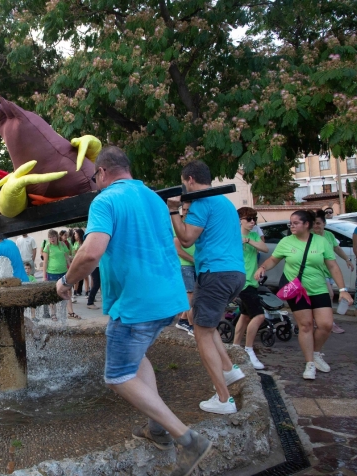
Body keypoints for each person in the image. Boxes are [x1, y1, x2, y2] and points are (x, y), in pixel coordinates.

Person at [55, 147, 212, 475]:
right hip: (167, 299)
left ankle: (188, 439)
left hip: (137, 303)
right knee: (137, 359)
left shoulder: (105, 200)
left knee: (118, 376)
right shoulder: (154, 198)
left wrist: (67, 282)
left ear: (101, 173)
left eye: (93, 178)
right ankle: (156, 429)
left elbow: (90, 253)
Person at [170, 160, 246, 415]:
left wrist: (173, 211)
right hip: (234, 274)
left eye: (183, 182)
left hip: (215, 274)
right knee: (205, 323)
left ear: (190, 180)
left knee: (200, 333)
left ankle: (224, 400)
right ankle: (229, 370)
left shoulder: (202, 202)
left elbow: (187, 239)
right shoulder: (225, 202)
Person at [256, 210, 352, 379]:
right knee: (306, 325)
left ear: (306, 224)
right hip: (297, 291)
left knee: (326, 325)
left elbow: (333, 267)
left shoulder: (321, 242)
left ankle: (316, 353)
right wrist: (263, 267)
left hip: (319, 288)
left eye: (295, 223)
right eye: (290, 223)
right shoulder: (286, 242)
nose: (291, 226)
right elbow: (274, 259)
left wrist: (343, 290)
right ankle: (309, 364)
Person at [232, 207, 270, 370]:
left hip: (252, 281)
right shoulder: (232, 235)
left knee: (246, 315)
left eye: (254, 219)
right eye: (249, 219)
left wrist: (247, 240)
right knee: (259, 316)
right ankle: (248, 350)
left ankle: (234, 348)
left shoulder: (253, 235)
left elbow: (265, 248)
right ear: (239, 220)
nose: (253, 222)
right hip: (242, 281)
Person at [313, 209, 354, 334]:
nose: (316, 226)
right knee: (330, 295)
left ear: (324, 224)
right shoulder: (309, 236)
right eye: (314, 223)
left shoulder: (329, 235)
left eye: (318, 223)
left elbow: (337, 248)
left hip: (328, 272)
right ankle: (329, 322)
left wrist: (347, 259)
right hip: (317, 272)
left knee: (323, 298)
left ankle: (320, 321)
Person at [42, 229, 80, 320]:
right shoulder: (47, 247)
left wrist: (71, 270)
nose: (52, 239)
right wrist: (44, 276)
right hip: (52, 273)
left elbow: (67, 258)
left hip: (63, 272)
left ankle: (71, 313)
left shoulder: (62, 244)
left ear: (57, 237)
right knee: (53, 293)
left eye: (53, 237)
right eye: (50, 237)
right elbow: (45, 262)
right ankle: (53, 314)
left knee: (67, 292)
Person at [173, 203, 196, 336]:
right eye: (185, 209)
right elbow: (177, 249)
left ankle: (182, 320)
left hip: (194, 264)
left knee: (192, 294)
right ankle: (192, 326)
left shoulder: (194, 224)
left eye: (189, 210)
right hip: (184, 264)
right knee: (190, 295)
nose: (186, 212)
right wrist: (193, 259)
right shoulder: (178, 225)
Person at [72, 229, 91, 297]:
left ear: (79, 234)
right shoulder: (75, 243)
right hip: (78, 262)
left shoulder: (85, 242)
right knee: (76, 278)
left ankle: (87, 292)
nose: (74, 235)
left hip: (84, 262)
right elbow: (75, 253)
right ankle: (74, 293)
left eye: (75, 234)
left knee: (86, 277)